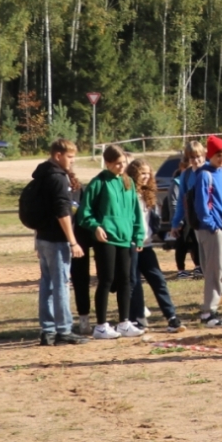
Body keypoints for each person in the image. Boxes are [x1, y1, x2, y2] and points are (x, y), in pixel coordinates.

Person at [77, 144, 145, 339]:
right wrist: (96, 227)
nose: (121, 167)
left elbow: (135, 213)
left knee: (125, 280)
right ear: (107, 163)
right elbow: (85, 212)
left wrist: (138, 235)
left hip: (125, 238)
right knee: (106, 280)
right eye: (117, 164)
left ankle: (124, 322)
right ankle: (101, 326)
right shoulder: (98, 183)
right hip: (105, 238)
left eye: (123, 163)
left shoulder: (128, 182)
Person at [28, 138, 87, 346]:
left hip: (43, 237)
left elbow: (39, 208)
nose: (72, 161)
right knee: (61, 284)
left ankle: (48, 330)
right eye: (70, 157)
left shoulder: (41, 176)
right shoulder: (59, 178)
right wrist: (73, 241)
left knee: (47, 284)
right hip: (57, 240)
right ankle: (63, 329)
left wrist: (37, 238)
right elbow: (63, 211)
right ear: (58, 155)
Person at [127, 158, 183, 333]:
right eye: (141, 173)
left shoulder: (148, 194)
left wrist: (156, 232)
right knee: (134, 283)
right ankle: (137, 319)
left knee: (158, 280)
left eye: (147, 173)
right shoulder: (128, 193)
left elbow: (152, 219)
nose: (145, 177)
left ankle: (171, 316)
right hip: (132, 244)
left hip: (147, 244)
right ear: (133, 174)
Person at [192, 135, 222, 327]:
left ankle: (215, 307)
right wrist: (212, 225)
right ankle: (208, 313)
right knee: (214, 270)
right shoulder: (205, 174)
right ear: (210, 155)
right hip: (214, 230)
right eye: (218, 155)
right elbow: (202, 205)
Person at [170, 141, 205, 277]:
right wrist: (176, 223)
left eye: (198, 156)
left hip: (213, 222)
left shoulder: (211, 170)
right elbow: (181, 202)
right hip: (195, 221)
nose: (196, 160)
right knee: (199, 250)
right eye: (192, 158)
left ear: (204, 155)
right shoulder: (186, 175)